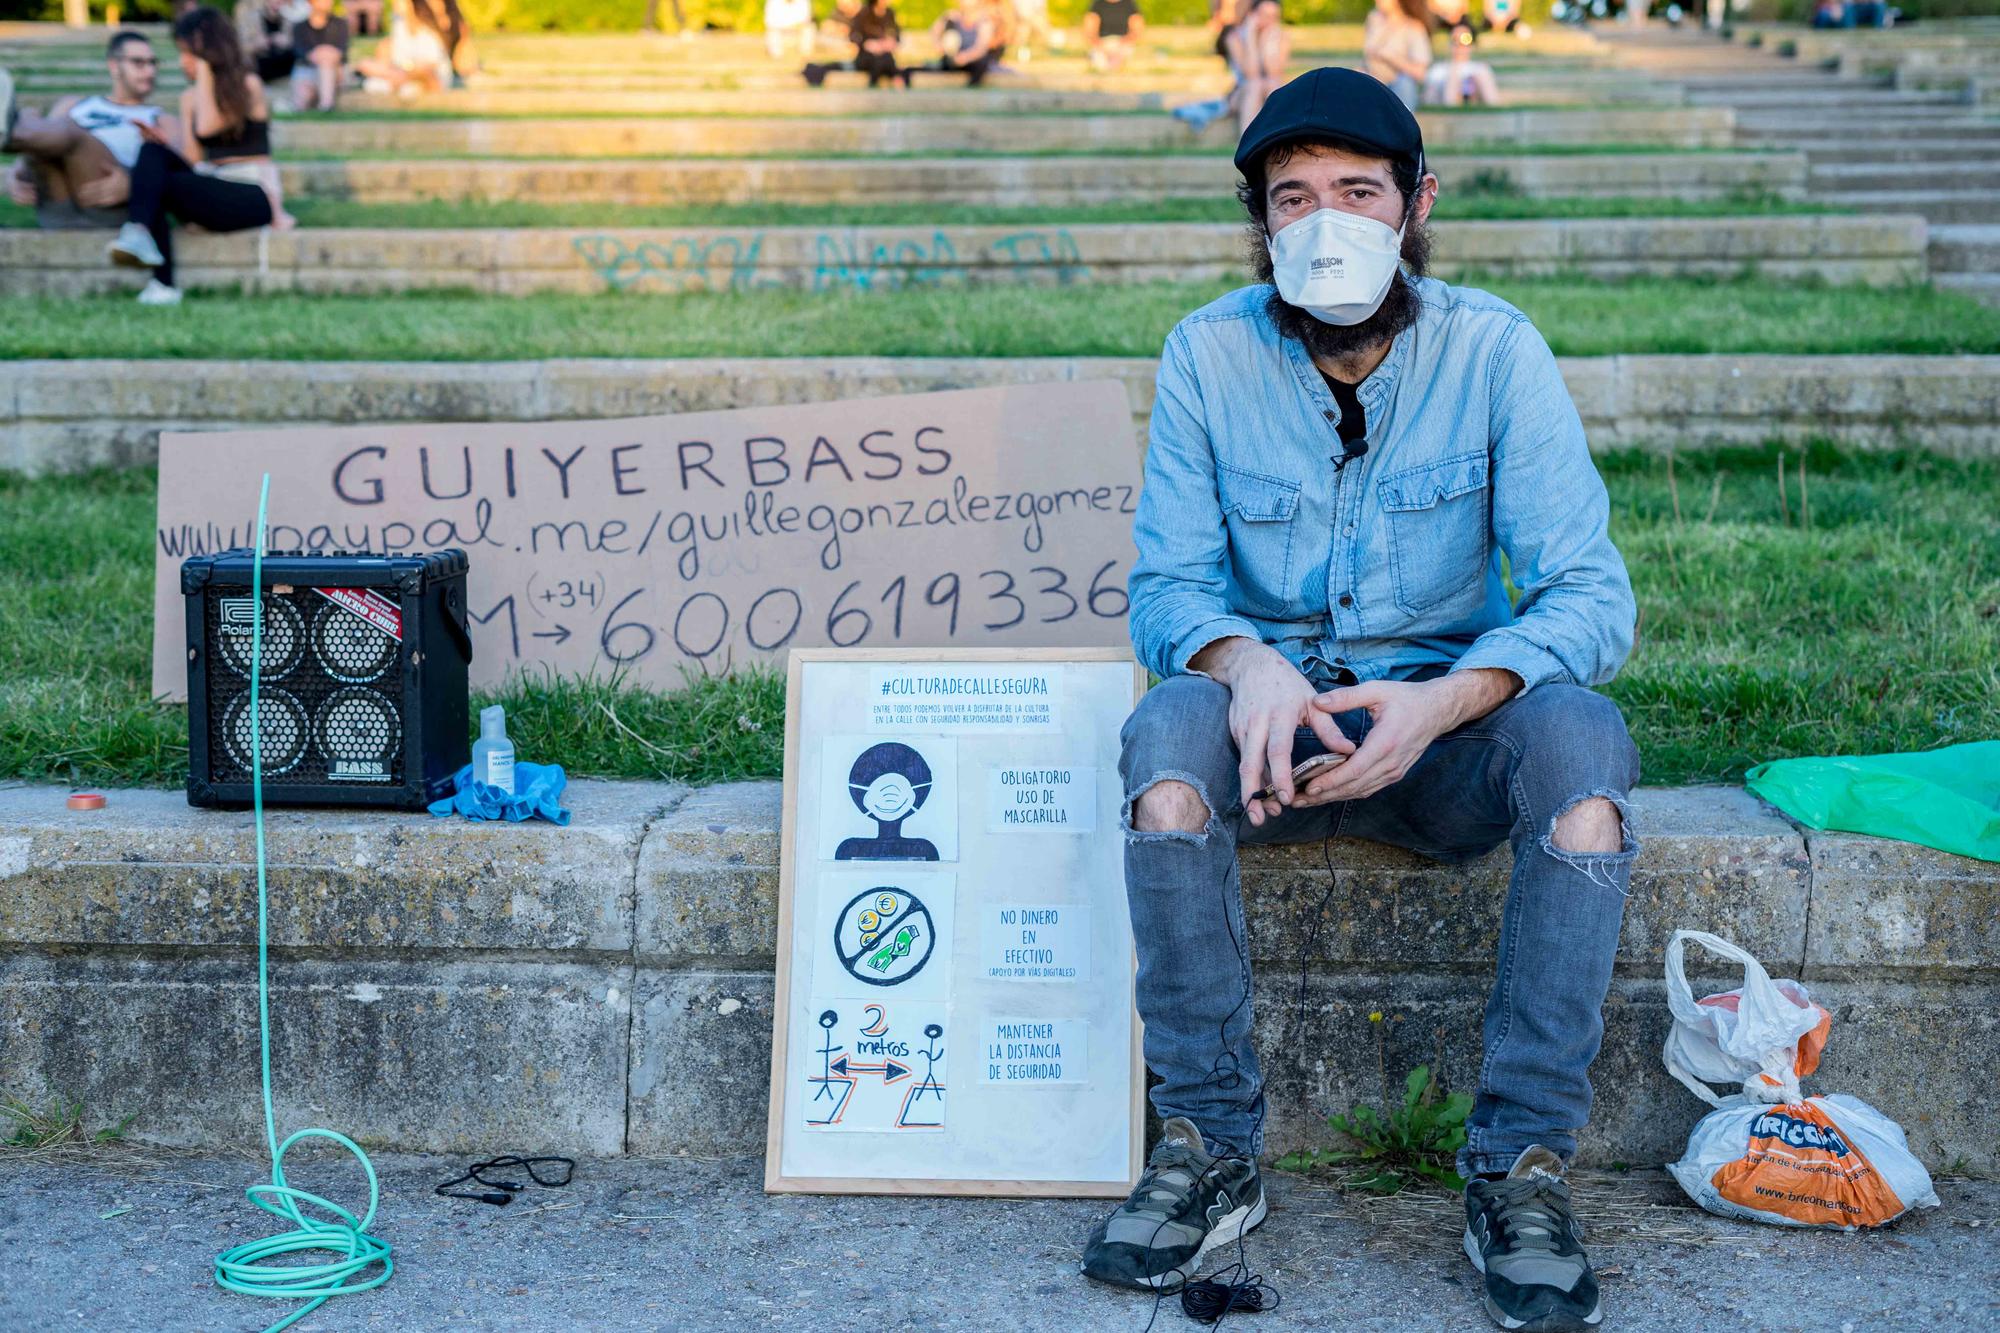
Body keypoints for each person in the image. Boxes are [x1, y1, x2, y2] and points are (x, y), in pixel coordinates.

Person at [1079, 68, 1638, 1333]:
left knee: (1583, 752)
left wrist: (1444, 702)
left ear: (1414, 203)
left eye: (1354, 191)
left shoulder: (1493, 350)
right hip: (1265, 741)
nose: (1322, 220)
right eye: (1291, 198)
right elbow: (1165, 588)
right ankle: (1208, 1145)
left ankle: (1519, 1165)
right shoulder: (1207, 353)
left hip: (1438, 741)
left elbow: (1588, 601)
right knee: (1161, 746)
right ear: (1257, 223)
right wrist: (1245, 664)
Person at [110, 6, 294, 306]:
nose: (182, 62)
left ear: (207, 51)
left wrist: (205, 72)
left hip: (253, 193)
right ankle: (150, 257)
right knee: (152, 153)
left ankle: (155, 268)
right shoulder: (190, 97)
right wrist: (164, 145)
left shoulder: (249, 85)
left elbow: (209, 127)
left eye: (187, 53)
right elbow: (195, 161)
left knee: (158, 181)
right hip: (212, 185)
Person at [1, 31, 183, 231]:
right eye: (139, 62)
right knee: (34, 121)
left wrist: (136, 183)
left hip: (109, 205)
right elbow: (40, 140)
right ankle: (11, 130)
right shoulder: (74, 104)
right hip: (56, 204)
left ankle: (10, 132)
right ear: (114, 66)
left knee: (69, 130)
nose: (149, 71)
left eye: (153, 63)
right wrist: (15, 173)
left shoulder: (162, 119)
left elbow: (184, 175)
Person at [356, 0, 452, 97]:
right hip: (400, 73)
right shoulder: (399, 29)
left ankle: (398, 83)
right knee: (365, 64)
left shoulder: (428, 30)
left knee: (419, 73)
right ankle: (398, 82)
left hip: (427, 77)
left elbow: (431, 65)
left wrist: (406, 71)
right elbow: (390, 58)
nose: (396, 8)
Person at [1225, 0, 1287, 134]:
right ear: (1252, 15)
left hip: (1269, 88)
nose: (1268, 21)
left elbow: (1274, 72)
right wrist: (1251, 38)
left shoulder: (1281, 37)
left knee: (1273, 84)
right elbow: (1251, 73)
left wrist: (1266, 43)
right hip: (1240, 94)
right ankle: (1248, 144)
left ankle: (1277, 140)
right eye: (1264, 15)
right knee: (1255, 85)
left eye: (1273, 17)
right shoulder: (1234, 37)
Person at [1364, 0, 1433, 110]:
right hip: (1374, 83)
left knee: (1405, 83)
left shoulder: (1413, 27)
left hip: (1397, 88)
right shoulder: (1373, 19)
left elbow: (1421, 73)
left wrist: (1391, 58)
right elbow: (1368, 58)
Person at [290, 0, 350, 111]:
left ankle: (326, 104)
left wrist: (325, 54)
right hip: (309, 71)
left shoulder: (340, 24)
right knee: (302, 99)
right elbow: (300, 52)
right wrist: (316, 54)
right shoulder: (299, 27)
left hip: (335, 70)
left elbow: (342, 51)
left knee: (326, 62)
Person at [1425, 24, 1500, 104]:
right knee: (1453, 74)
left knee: (1482, 75)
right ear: (1449, 45)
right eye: (1455, 40)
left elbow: (1493, 99)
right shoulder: (1438, 70)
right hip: (1447, 104)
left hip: (1477, 104)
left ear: (1472, 45)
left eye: (1465, 39)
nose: (1459, 45)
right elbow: (1428, 99)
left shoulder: (1481, 69)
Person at [931, 0, 1003, 85]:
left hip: (974, 62)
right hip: (954, 59)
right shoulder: (952, 17)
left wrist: (964, 58)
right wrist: (939, 45)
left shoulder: (984, 21)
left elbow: (981, 48)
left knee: (981, 65)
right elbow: (934, 31)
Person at [235, 0, 305, 86]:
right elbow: (241, 47)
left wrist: (287, 42)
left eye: (280, 2)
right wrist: (256, 45)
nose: (276, 4)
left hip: (286, 66)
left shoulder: (290, 16)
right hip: (262, 67)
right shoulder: (252, 18)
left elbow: (302, 44)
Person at [1084, 0, 1144, 72]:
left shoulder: (1129, 3)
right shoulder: (1097, 3)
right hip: (1103, 43)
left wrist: (1122, 46)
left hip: (1123, 44)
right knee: (1100, 62)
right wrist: (1101, 47)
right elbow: (1090, 30)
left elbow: (1137, 30)